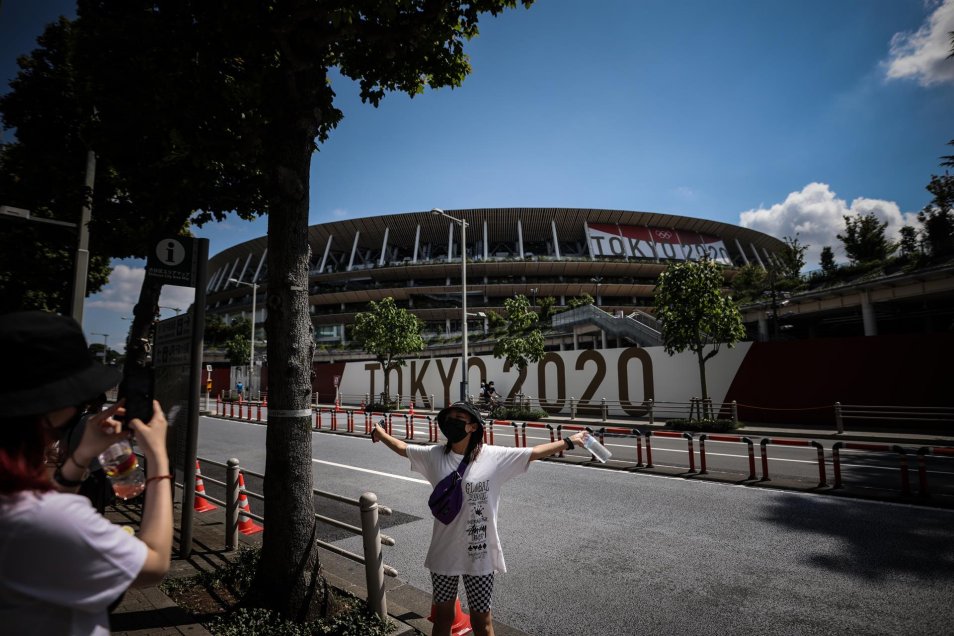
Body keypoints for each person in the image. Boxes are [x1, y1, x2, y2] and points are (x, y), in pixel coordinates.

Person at [0, 311, 173, 635]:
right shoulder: (42, 518)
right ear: (45, 413)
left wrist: (80, 457)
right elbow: (155, 564)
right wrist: (158, 458)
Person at [371, 401, 586, 636]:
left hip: (479, 555)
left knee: (482, 621)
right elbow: (403, 448)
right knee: (443, 618)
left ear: (473, 427)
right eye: (449, 417)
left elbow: (532, 453)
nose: (451, 421)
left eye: (458, 417)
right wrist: (380, 433)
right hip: (445, 553)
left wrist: (569, 441)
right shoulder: (435, 456)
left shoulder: (493, 457)